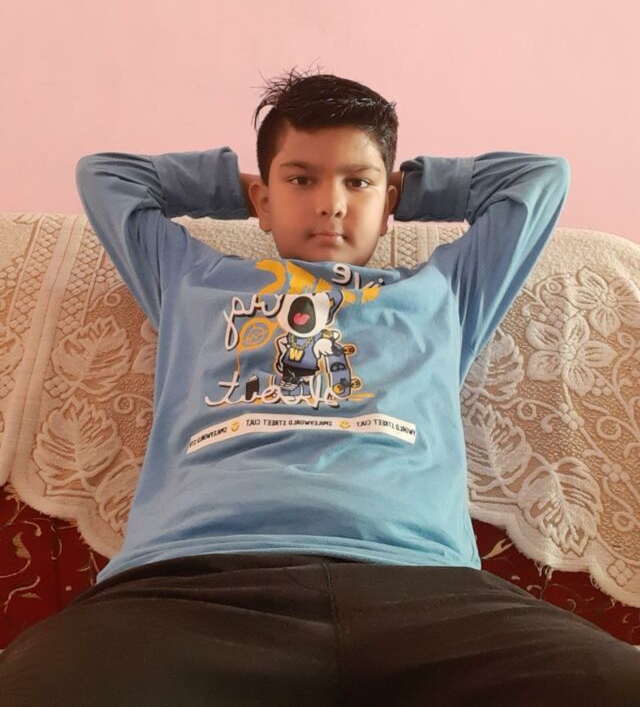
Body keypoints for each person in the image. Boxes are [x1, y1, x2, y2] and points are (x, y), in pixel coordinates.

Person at [1, 67, 638, 706]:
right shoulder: (191, 281)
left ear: (386, 203)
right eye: (301, 179)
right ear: (262, 199)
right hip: (188, 590)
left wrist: (403, 189)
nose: (330, 203)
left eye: (356, 182)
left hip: (426, 593)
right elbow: (107, 175)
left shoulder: (445, 292)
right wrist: (251, 186)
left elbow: (539, 178)